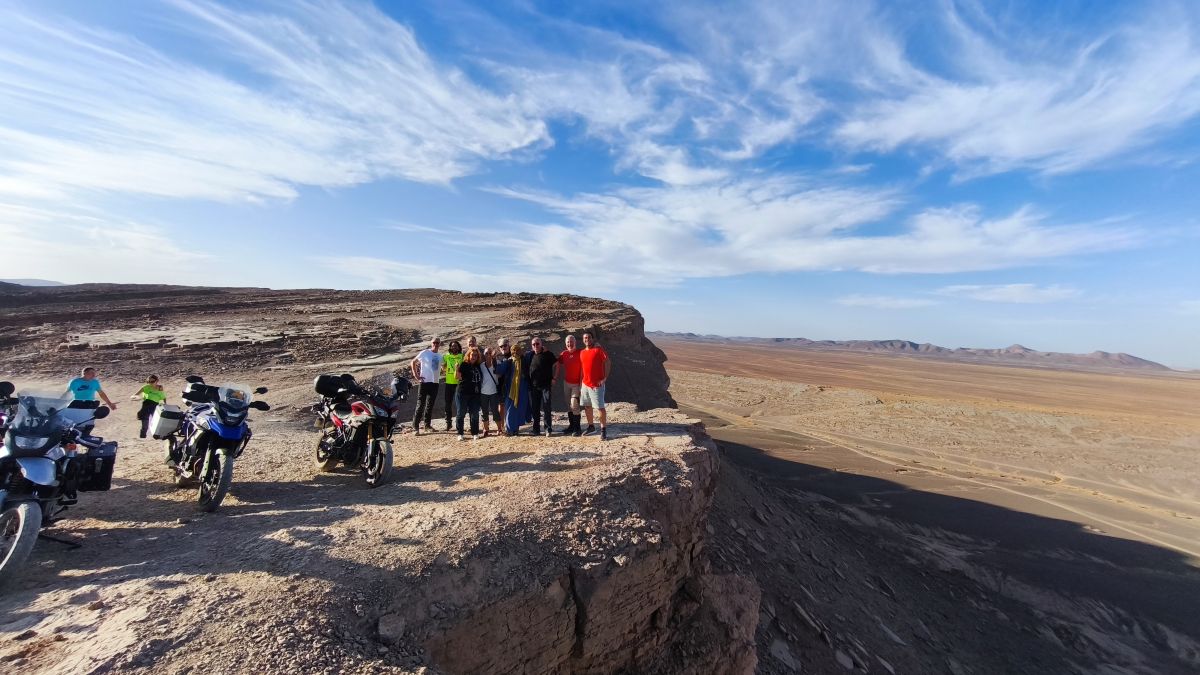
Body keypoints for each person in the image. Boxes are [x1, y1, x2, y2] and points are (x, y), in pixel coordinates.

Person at [579, 332, 611, 440]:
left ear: (592, 339)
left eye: (589, 337)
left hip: (596, 385)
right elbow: (583, 368)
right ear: (583, 340)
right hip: (585, 384)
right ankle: (591, 426)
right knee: (587, 406)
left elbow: (608, 362)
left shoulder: (598, 350)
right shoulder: (582, 352)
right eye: (585, 338)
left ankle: (603, 430)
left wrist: (605, 378)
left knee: (600, 408)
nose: (587, 339)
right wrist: (581, 383)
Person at [409, 337, 442, 435]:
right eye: (434, 342)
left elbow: (442, 367)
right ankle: (415, 427)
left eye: (437, 343)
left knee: (430, 405)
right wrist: (416, 375)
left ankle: (427, 425)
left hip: (435, 383)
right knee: (420, 404)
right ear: (431, 343)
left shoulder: (440, 356)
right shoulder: (425, 352)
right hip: (424, 382)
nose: (435, 344)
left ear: (439, 344)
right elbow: (413, 362)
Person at [495, 343, 529, 436]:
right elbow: (499, 370)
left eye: (517, 350)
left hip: (522, 390)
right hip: (511, 390)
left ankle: (515, 429)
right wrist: (495, 360)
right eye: (514, 350)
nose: (516, 352)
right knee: (510, 409)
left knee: (519, 409)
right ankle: (509, 430)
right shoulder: (509, 361)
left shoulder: (524, 361)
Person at [527, 337, 558, 436]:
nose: (536, 346)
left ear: (541, 344)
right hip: (534, 386)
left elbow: (557, 364)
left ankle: (548, 429)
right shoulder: (530, 355)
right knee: (535, 408)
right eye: (533, 344)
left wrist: (554, 378)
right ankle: (536, 429)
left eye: (537, 344)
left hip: (546, 385)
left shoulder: (548, 354)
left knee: (546, 406)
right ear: (531, 346)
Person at [455, 347, 484, 440]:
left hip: (475, 394)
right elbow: (457, 377)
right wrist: (456, 369)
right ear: (468, 355)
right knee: (461, 413)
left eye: (476, 355)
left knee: (474, 413)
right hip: (463, 393)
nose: (474, 357)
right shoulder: (464, 364)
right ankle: (460, 433)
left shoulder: (478, 366)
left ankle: (475, 433)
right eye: (472, 355)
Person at [558, 334, 583, 436]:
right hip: (566, 383)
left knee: (574, 404)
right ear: (565, 344)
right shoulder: (563, 354)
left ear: (575, 342)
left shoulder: (581, 353)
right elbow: (556, 363)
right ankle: (571, 426)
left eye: (571, 341)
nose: (570, 344)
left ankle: (578, 428)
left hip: (577, 384)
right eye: (568, 342)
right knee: (569, 405)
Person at [441, 340, 464, 432]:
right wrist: (443, 367)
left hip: (459, 383)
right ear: (450, 347)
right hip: (449, 383)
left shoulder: (462, 356)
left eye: (456, 346)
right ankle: (448, 423)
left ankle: (460, 424)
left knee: (460, 404)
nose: (454, 347)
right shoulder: (446, 356)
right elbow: (442, 366)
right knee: (448, 404)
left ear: (458, 347)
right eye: (452, 346)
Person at [480, 348, 501, 438]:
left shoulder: (498, 363)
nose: (488, 355)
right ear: (484, 355)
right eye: (486, 353)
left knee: (495, 411)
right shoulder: (481, 366)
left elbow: (501, 375)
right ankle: (486, 429)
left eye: (489, 353)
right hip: (483, 392)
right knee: (484, 411)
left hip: (494, 392)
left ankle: (499, 429)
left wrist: (495, 362)